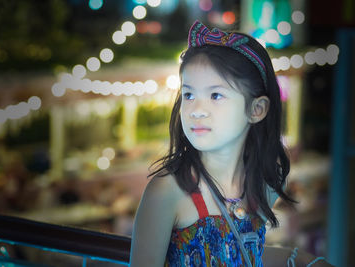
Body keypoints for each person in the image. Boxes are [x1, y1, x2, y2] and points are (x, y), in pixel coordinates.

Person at [129, 20, 334, 267]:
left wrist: (300, 259)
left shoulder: (267, 182)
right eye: (189, 94)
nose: (196, 110)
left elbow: (245, 256)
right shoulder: (166, 191)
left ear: (257, 109)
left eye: (216, 95)